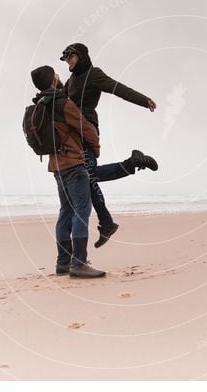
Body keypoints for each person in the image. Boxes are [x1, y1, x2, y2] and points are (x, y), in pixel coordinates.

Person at [60, 43, 159, 248]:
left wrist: (144, 100)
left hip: (86, 131)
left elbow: (117, 88)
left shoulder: (93, 74)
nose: (68, 60)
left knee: (88, 175)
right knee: (88, 176)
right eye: (65, 58)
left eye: (70, 56)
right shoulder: (70, 81)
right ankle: (106, 222)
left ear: (81, 55)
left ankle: (132, 164)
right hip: (72, 134)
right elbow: (58, 100)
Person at [30, 65, 105, 278]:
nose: (59, 75)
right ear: (52, 80)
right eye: (55, 74)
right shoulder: (63, 103)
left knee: (66, 211)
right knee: (82, 210)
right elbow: (85, 127)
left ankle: (63, 262)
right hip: (73, 163)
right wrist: (96, 150)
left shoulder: (41, 104)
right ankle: (79, 263)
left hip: (56, 166)